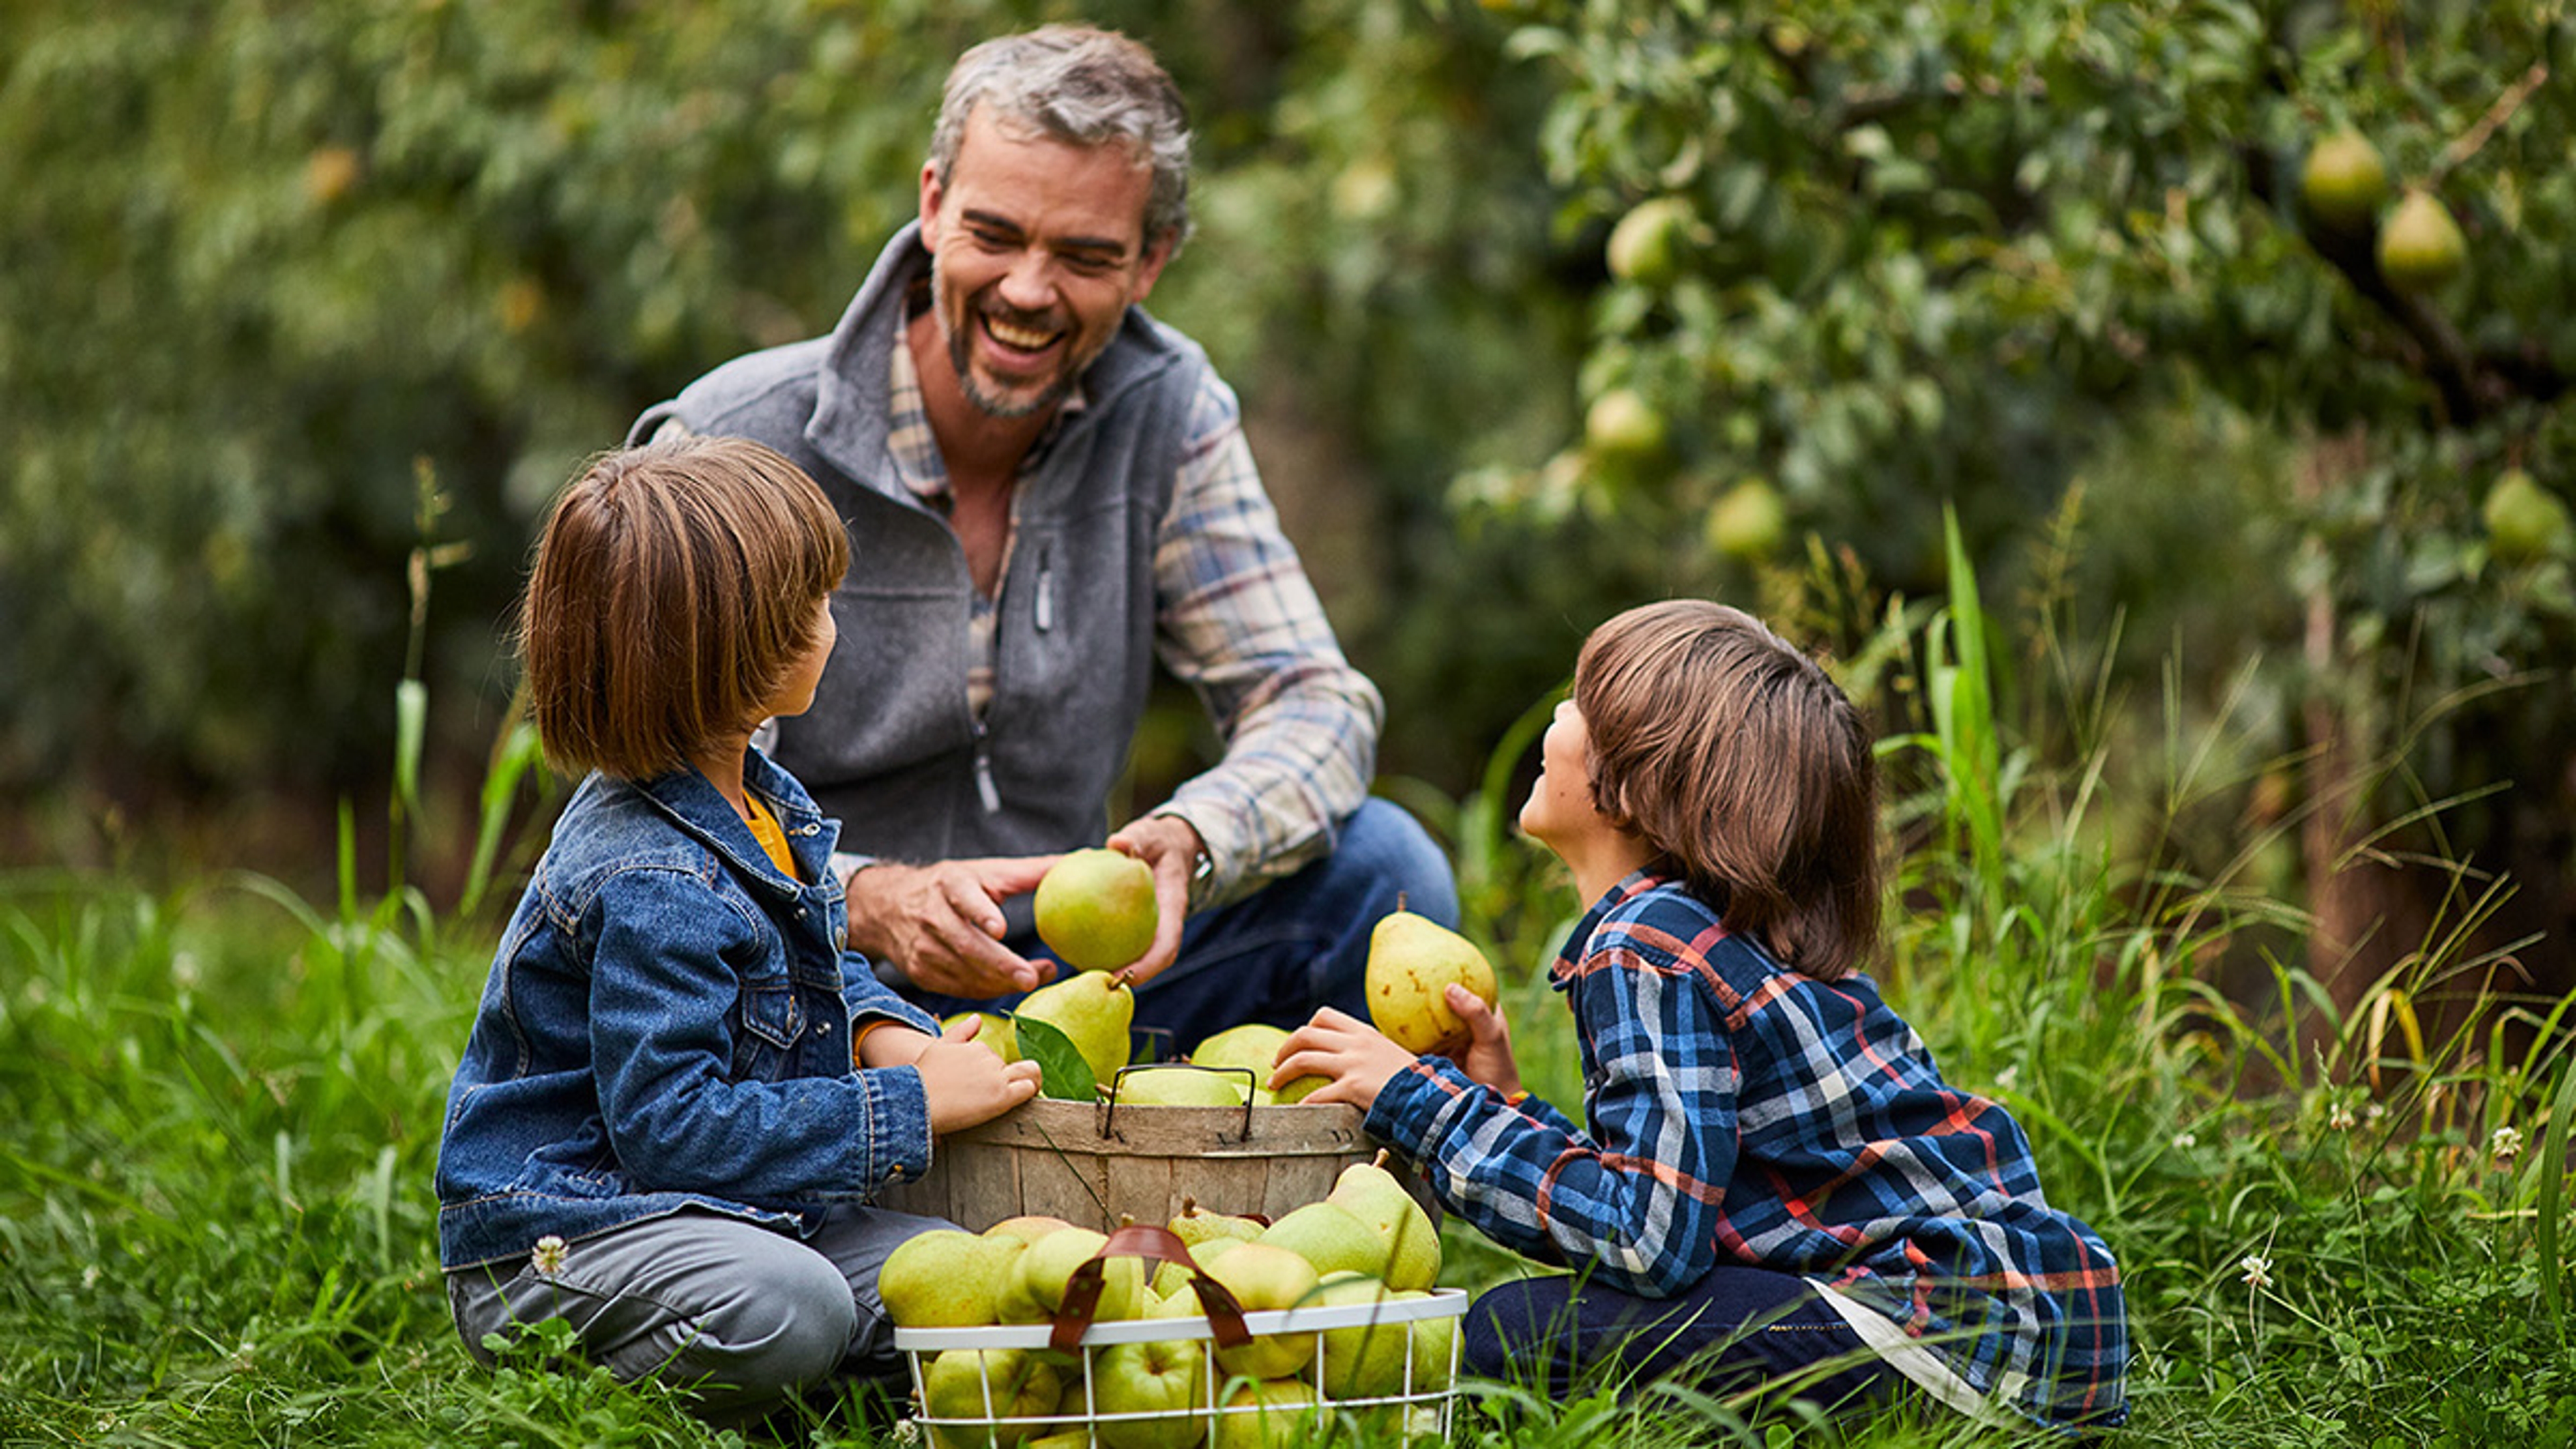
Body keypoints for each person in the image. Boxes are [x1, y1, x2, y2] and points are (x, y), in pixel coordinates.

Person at [626, 23, 1455, 1049]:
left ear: (1150, 261)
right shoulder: (739, 434)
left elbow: (1312, 700)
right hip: (805, 977)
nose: (1028, 290)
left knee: (1386, 870)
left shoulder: (1171, 412)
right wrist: (867, 897)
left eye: (1084, 255)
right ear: (932, 205)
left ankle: (1317, 1199)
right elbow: (658, 791)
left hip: (1076, 980)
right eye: (997, 235)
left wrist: (1195, 838)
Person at [1275, 600, 2129, 1433]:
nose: (1561, 711)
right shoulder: (1710, 933)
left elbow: (1648, 1243)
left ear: (1638, 785)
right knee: (1571, 1322)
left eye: (1585, 704)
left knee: (1514, 1333)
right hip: (2020, 1327)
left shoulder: (1645, 944)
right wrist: (1498, 1104)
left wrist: (1423, 1103)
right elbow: (1669, 1199)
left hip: (1935, 1332)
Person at [434, 437, 1043, 1422]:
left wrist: (875, 1028)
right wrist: (901, 1109)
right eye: (815, 608)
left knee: (965, 1281)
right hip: (570, 1241)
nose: (834, 625)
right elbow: (673, 1130)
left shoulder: (761, 800)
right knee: (793, 1306)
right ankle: (606, 1380)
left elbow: (810, 972)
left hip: (727, 1215)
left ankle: (803, 1369)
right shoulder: (651, 875)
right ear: (736, 657)